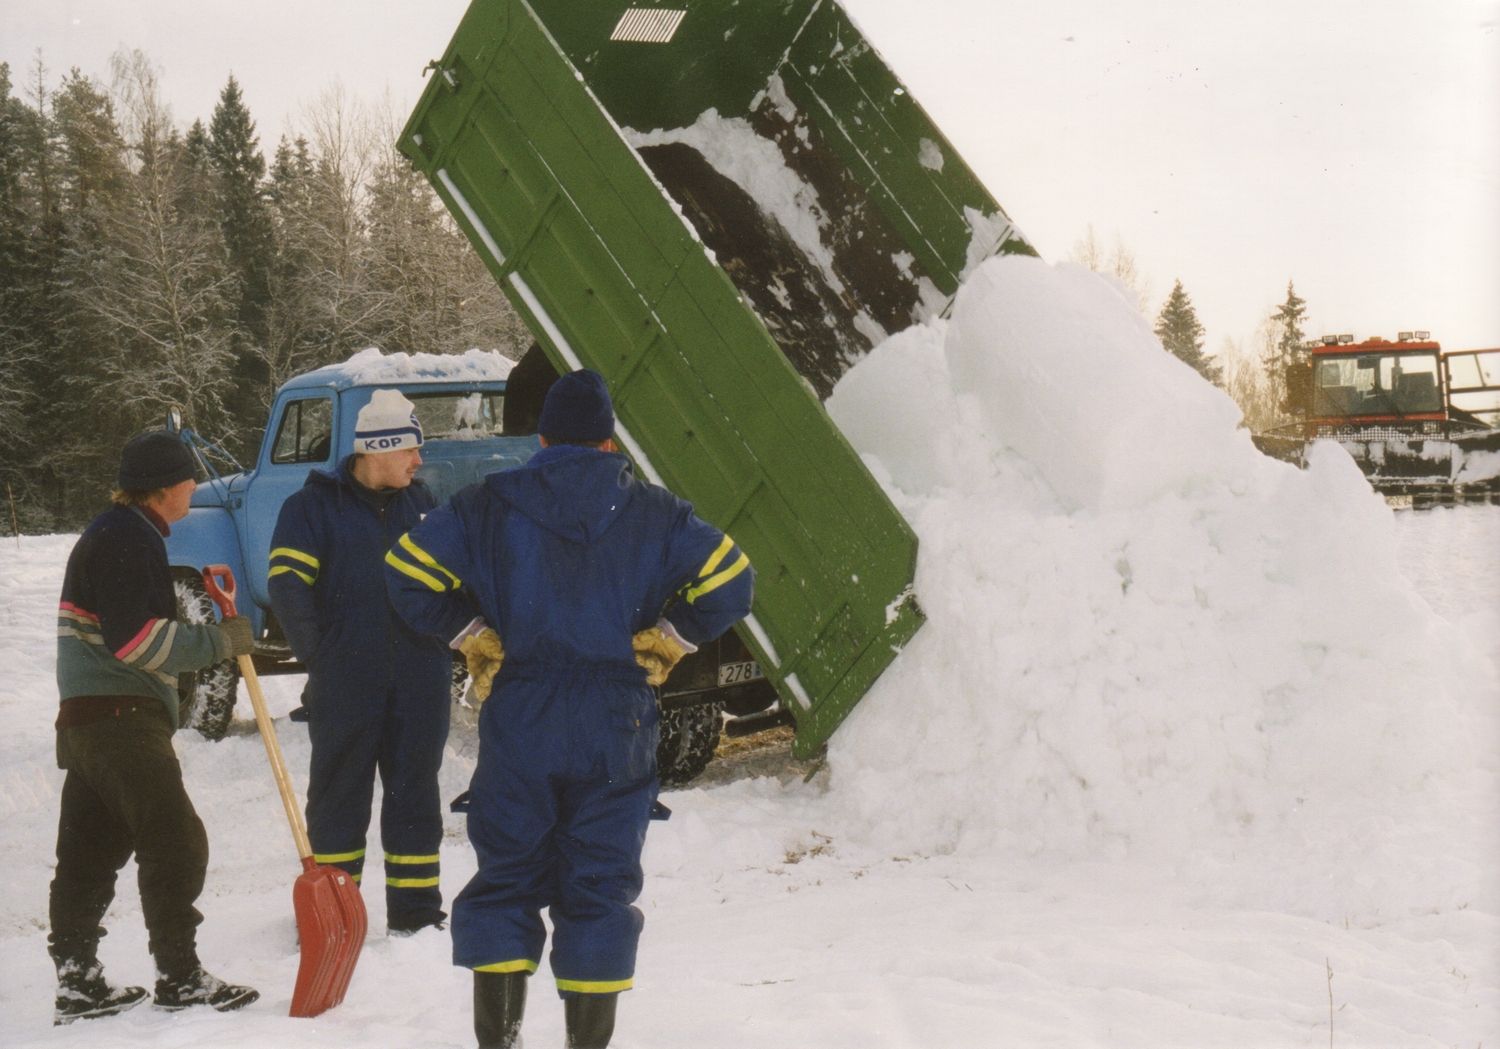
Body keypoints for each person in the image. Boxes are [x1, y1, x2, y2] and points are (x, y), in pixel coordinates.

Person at [384, 369, 754, 1049]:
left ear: (543, 440)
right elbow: (733, 579)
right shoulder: (656, 511)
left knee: (506, 880)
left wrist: (470, 633)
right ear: (609, 442)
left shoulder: (487, 504)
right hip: (617, 719)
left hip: (522, 712)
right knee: (599, 887)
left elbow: (406, 571)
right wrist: (671, 637)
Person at [50, 431, 260, 1025]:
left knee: (89, 853)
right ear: (166, 487)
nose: (195, 487)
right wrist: (218, 641)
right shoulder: (127, 537)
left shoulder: (113, 532)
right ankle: (180, 976)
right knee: (175, 842)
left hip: (88, 720)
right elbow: (136, 641)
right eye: (189, 478)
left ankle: (78, 982)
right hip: (121, 717)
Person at [267, 389, 452, 936]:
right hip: (346, 682)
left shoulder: (423, 506)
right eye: (409, 450)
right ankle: (334, 921)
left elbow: (453, 581)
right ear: (379, 448)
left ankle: (417, 916)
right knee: (339, 800)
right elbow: (287, 588)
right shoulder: (311, 508)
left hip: (420, 680)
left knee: (416, 797)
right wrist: (322, 659)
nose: (418, 460)